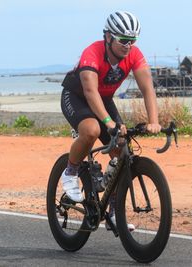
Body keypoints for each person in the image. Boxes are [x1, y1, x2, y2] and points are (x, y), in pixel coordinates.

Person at [60, 11, 161, 230]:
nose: (128, 45)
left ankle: (114, 212)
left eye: (132, 41)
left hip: (103, 99)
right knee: (91, 130)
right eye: (123, 40)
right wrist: (108, 122)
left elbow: (147, 89)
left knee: (122, 147)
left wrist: (153, 121)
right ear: (108, 37)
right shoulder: (92, 53)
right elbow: (90, 91)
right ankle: (70, 171)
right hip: (77, 96)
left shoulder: (134, 54)